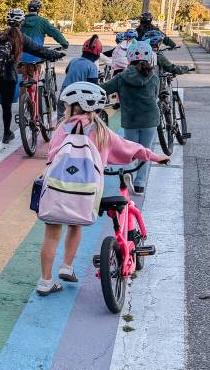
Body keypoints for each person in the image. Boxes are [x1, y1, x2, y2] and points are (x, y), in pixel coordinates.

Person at [36, 82, 168, 296]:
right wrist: (153, 156)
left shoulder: (62, 128)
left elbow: (51, 157)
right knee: (75, 225)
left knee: (51, 234)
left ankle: (45, 281)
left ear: (71, 107)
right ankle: (67, 266)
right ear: (96, 109)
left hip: (56, 188)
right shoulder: (101, 131)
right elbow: (128, 148)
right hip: (85, 192)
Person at [0, 9, 63, 150]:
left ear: (7, 21)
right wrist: (55, 54)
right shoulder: (21, 38)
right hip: (8, 77)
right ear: (21, 22)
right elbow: (39, 50)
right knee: (6, 107)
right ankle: (7, 134)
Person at [100, 40, 162, 194]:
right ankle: (140, 185)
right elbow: (155, 96)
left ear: (129, 58)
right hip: (150, 119)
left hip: (130, 120)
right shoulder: (154, 77)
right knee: (145, 151)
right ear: (149, 58)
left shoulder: (121, 77)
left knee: (130, 150)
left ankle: (128, 172)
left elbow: (104, 89)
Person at [20, 0, 69, 87]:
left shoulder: (21, 21)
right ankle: (34, 97)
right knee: (34, 81)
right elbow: (55, 32)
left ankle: (24, 99)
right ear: (38, 10)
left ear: (28, 9)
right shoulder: (42, 21)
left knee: (22, 83)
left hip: (20, 58)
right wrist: (64, 44)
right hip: (36, 56)